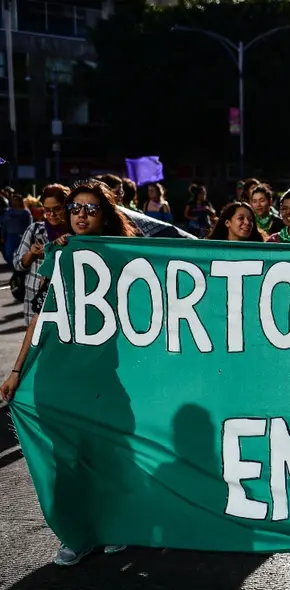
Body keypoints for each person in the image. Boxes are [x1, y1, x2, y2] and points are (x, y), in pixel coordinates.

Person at [0, 180, 137, 566]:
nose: (81, 215)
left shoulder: (125, 256)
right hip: (58, 375)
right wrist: (16, 370)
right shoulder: (60, 255)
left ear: (106, 216)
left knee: (107, 456)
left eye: (91, 209)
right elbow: (41, 318)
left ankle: (112, 526)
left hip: (104, 376)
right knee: (66, 459)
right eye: (75, 208)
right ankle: (76, 535)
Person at [13, 184, 70, 324]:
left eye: (57, 209)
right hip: (36, 298)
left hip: (66, 299)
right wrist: (31, 253)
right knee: (34, 335)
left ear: (67, 207)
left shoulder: (76, 233)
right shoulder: (34, 230)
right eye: (47, 210)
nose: (52, 214)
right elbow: (18, 264)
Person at [2, 194, 33, 267]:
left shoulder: (25, 212)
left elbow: (29, 225)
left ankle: (19, 268)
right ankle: (13, 267)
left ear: (20, 201)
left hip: (21, 236)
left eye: (16, 200)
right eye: (13, 200)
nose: (14, 202)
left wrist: (29, 236)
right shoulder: (8, 212)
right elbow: (4, 224)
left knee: (21, 253)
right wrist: (2, 236)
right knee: (8, 254)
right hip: (10, 236)